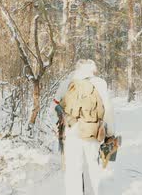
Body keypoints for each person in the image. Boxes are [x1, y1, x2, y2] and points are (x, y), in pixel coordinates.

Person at [55, 59, 115, 195]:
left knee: (72, 171)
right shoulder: (100, 83)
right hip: (92, 131)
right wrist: (110, 133)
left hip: (71, 132)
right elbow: (108, 111)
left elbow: (56, 106)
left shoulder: (67, 83)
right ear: (93, 70)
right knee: (92, 170)